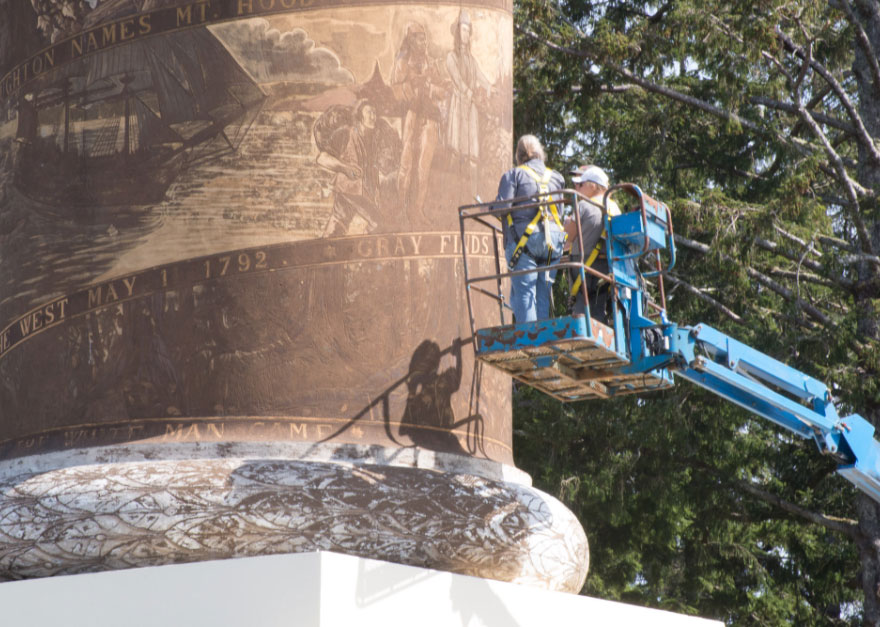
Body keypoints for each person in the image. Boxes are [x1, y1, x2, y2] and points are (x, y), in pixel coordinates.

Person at [495, 135, 565, 323]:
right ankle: (542, 344)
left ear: (518, 156)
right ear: (540, 153)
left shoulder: (514, 175)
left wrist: (490, 208)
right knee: (542, 293)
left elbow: (502, 207)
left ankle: (530, 344)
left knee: (524, 295)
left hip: (524, 241)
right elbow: (560, 211)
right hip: (553, 243)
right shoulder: (557, 177)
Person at [564, 164, 620, 323]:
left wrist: (566, 225)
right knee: (597, 306)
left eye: (581, 184)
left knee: (582, 306)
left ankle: (583, 336)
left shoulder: (583, 205)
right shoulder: (614, 207)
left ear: (593, 186)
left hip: (585, 263)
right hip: (608, 266)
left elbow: (568, 237)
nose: (578, 188)